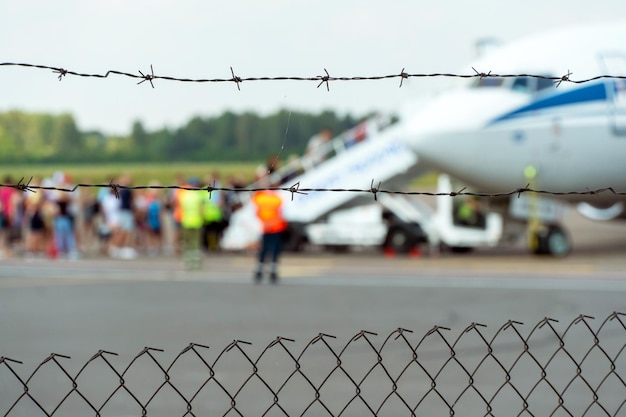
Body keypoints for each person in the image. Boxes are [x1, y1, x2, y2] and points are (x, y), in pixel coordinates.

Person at [251, 178, 287, 284]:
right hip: (276, 226)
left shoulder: (259, 197)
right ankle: (273, 271)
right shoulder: (278, 198)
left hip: (264, 227)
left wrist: (264, 223)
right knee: (275, 249)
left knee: (264, 249)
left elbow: (255, 212)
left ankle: (259, 270)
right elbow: (282, 214)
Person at [179, 177, 204, 270]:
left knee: (187, 242)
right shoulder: (199, 195)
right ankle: (195, 261)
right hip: (197, 221)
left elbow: (181, 207)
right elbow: (202, 209)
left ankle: (187, 259)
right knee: (196, 242)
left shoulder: (184, 195)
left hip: (186, 220)